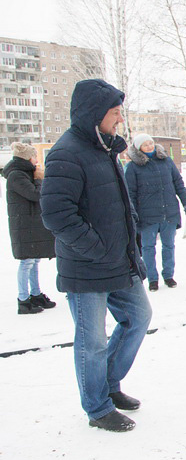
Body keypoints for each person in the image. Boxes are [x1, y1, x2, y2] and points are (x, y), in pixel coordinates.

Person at [40, 79, 152, 433]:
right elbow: (57, 214)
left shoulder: (104, 149)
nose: (120, 119)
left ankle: (108, 383)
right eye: (115, 113)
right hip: (87, 266)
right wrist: (96, 248)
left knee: (138, 316)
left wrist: (129, 250)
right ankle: (97, 406)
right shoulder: (66, 152)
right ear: (94, 114)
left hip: (119, 262)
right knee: (93, 340)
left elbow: (118, 206)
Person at [124, 134, 186, 291]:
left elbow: (178, 182)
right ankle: (152, 279)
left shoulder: (166, 161)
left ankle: (168, 276)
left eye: (151, 143)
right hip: (147, 215)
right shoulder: (133, 166)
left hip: (169, 212)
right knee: (148, 247)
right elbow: (130, 193)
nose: (149, 146)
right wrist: (132, 214)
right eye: (145, 144)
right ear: (138, 148)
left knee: (169, 246)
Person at [2, 142, 57, 314]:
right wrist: (40, 179)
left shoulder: (24, 173)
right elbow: (35, 194)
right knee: (27, 262)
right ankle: (23, 299)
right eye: (34, 156)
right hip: (24, 226)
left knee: (34, 260)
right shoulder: (16, 175)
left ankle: (35, 294)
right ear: (27, 158)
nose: (36, 160)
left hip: (31, 224)